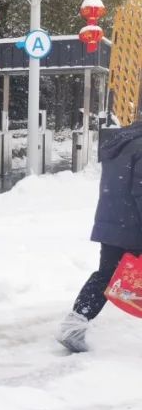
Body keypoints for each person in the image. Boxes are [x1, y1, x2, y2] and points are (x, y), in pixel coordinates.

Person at [59, 121, 142, 353]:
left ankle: (74, 324)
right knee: (110, 276)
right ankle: (73, 326)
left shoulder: (123, 141)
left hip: (114, 222)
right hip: (133, 225)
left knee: (106, 275)